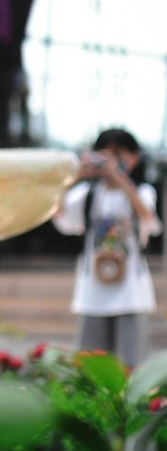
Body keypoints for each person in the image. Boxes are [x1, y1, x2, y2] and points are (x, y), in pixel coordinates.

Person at [53, 128, 162, 368]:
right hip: (94, 287)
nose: (111, 161)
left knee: (132, 363)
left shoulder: (141, 191)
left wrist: (121, 180)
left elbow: (149, 220)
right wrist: (73, 178)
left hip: (130, 290)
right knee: (90, 363)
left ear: (134, 158)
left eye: (118, 154)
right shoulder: (87, 194)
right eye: (105, 154)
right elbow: (60, 216)